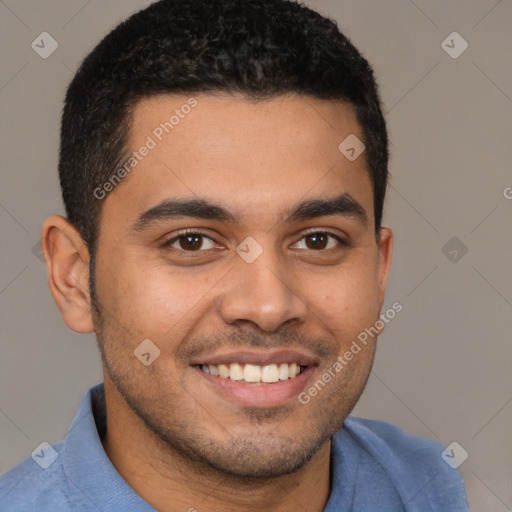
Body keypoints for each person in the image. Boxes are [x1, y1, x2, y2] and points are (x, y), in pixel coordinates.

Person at [0, 0, 470, 510]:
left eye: (318, 240)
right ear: (73, 277)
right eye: (191, 242)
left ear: (379, 271)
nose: (268, 306)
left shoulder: (445, 490)